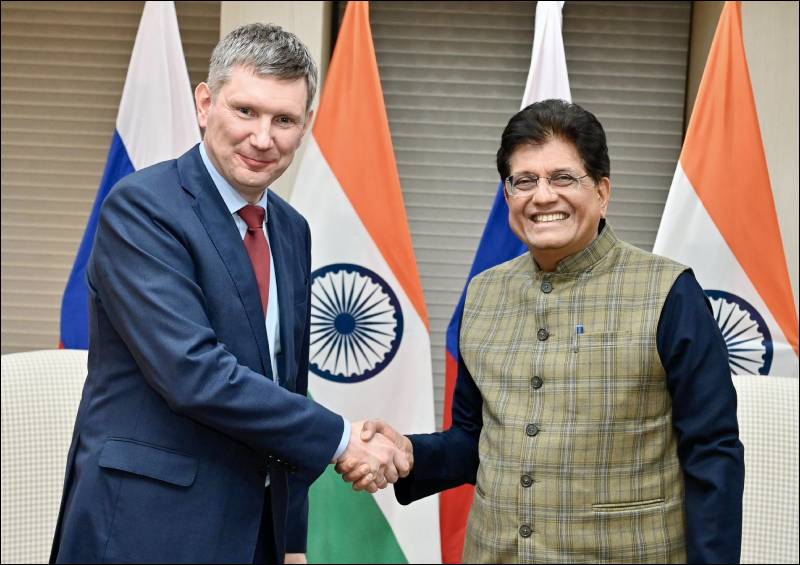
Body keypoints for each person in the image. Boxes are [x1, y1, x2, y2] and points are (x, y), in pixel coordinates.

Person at [50, 23, 407, 565]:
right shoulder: (143, 209)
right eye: (245, 111)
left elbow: (286, 382)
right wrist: (342, 439)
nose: (263, 138)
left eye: (284, 120)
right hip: (146, 528)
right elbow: (193, 373)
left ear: (305, 125)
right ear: (205, 103)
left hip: (254, 530)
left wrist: (291, 538)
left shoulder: (290, 229)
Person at [341, 99, 745, 563]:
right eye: (525, 181)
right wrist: (410, 453)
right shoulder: (484, 293)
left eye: (563, 178)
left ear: (602, 191)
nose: (543, 196)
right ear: (508, 195)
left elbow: (712, 451)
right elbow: (475, 439)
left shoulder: (670, 292)